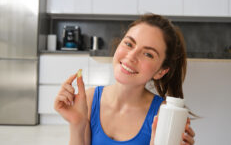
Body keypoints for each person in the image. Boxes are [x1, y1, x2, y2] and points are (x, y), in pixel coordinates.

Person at [54, 14, 195, 145]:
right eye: (129, 44)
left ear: (160, 71)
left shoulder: (165, 115)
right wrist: (76, 124)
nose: (131, 56)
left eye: (148, 54)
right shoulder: (89, 100)